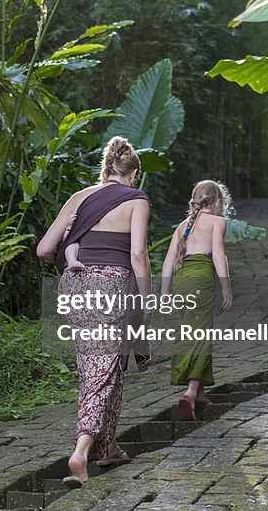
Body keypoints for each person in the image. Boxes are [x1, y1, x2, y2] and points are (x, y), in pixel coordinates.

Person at [36, 136, 151, 486]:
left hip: (75, 286)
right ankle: (81, 451)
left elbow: (43, 249)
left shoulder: (79, 197)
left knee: (100, 365)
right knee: (104, 369)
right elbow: (137, 255)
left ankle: (109, 447)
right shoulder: (136, 200)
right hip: (110, 286)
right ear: (134, 175)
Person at [161, 180, 233, 421]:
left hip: (181, 283)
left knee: (192, 333)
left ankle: (200, 392)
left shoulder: (182, 226)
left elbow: (169, 260)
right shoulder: (217, 222)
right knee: (201, 337)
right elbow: (219, 255)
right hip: (201, 280)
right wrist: (226, 286)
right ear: (216, 202)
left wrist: (164, 294)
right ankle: (190, 393)